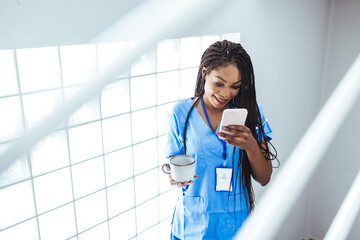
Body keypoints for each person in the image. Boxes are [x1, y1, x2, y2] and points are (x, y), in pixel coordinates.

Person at [164, 40, 278, 240]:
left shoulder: (251, 113)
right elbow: (173, 163)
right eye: (219, 83)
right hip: (192, 222)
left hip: (234, 222)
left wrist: (251, 145)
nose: (226, 93)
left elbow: (264, 177)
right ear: (204, 73)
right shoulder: (179, 114)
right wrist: (171, 174)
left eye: (235, 86)